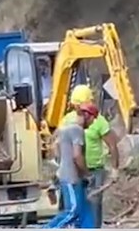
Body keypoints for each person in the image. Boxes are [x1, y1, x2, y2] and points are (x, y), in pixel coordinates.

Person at [61, 84, 120, 228]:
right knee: (77, 206)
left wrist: (114, 168)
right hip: (77, 171)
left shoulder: (98, 121)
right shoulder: (68, 121)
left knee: (94, 206)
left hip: (95, 170)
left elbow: (112, 145)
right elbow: (61, 146)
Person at [43, 103, 99, 229]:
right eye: (92, 119)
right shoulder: (77, 130)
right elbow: (77, 156)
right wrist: (88, 174)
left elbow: (56, 150)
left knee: (85, 211)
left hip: (71, 176)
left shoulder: (65, 128)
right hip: (71, 178)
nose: (92, 123)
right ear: (86, 115)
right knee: (72, 211)